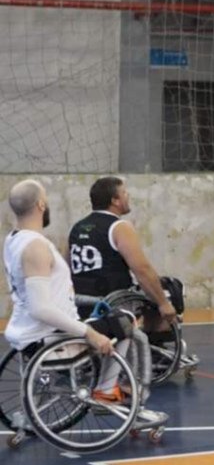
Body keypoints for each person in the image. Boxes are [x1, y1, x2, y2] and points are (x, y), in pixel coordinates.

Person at [2, 180, 165, 420]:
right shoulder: (36, 247)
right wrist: (90, 333)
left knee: (113, 319)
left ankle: (97, 389)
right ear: (41, 204)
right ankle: (107, 390)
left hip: (25, 330)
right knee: (126, 322)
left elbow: (48, 293)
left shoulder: (13, 240)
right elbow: (40, 307)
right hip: (50, 336)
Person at [68, 177, 178, 323]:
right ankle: (152, 340)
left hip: (81, 303)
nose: (128, 196)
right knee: (169, 290)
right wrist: (164, 303)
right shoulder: (119, 227)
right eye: (125, 193)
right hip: (114, 303)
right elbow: (142, 270)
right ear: (115, 200)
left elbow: (66, 267)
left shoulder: (76, 228)